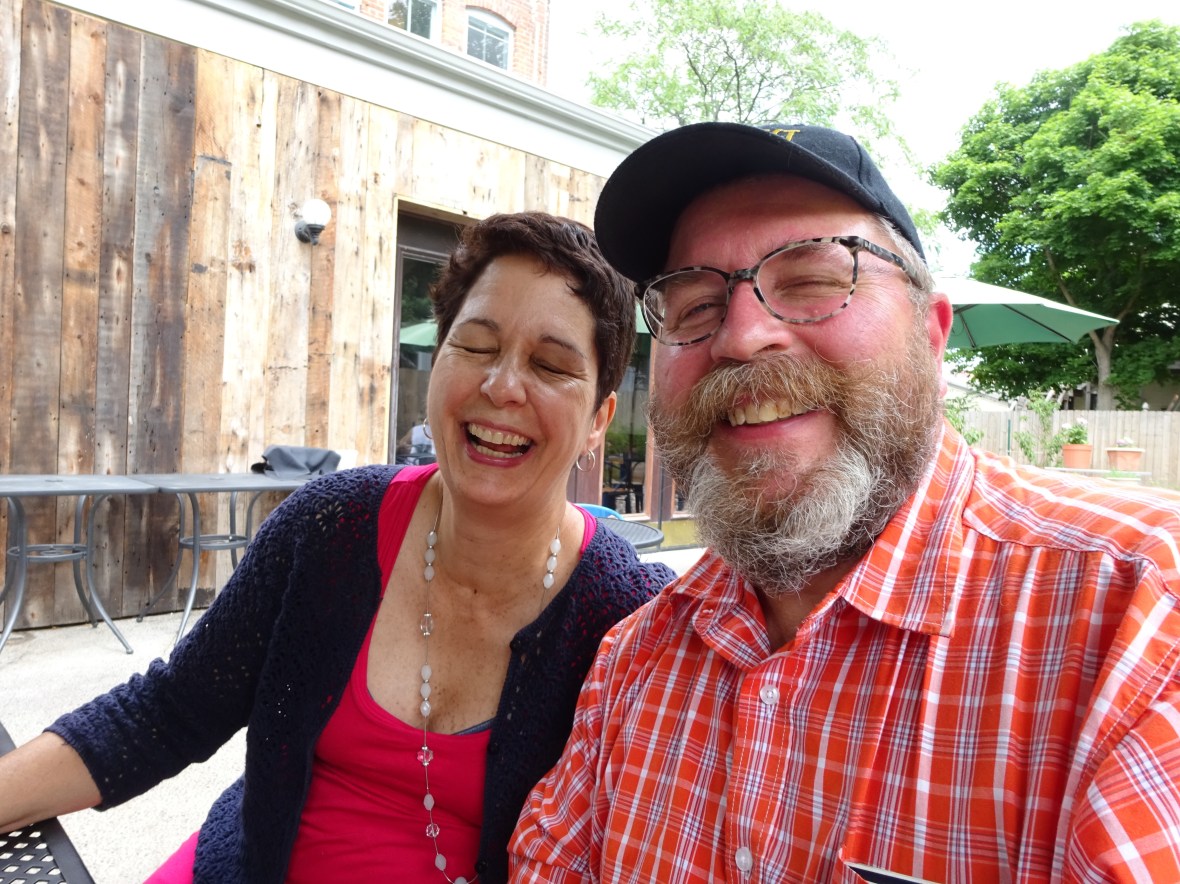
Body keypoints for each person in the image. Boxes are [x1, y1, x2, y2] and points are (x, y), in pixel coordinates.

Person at [509, 123, 1180, 881]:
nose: (741, 336)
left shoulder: (1140, 621)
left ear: (931, 336)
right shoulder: (634, 660)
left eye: (812, 281)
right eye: (694, 305)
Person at [0, 212, 675, 884]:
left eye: (551, 365)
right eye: (475, 346)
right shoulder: (332, 525)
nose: (501, 387)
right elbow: (171, 711)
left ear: (599, 419)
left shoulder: (628, 617)